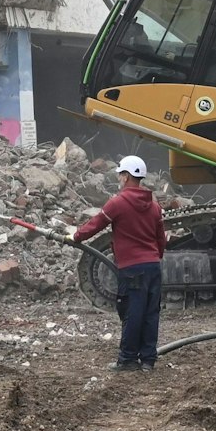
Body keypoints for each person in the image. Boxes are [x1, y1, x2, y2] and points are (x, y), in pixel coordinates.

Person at [72, 154, 166, 370]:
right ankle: (148, 361)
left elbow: (95, 224)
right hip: (153, 266)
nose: (119, 178)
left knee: (132, 312)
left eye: (120, 174)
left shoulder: (119, 203)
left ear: (126, 176)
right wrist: (155, 257)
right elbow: (161, 238)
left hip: (131, 268)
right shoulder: (153, 206)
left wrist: (76, 237)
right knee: (151, 313)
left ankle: (128, 360)